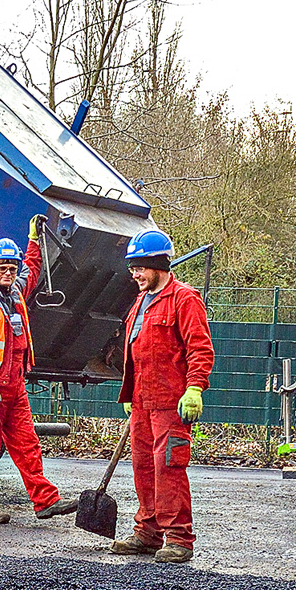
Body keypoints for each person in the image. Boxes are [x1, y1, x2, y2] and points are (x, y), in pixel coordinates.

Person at [108, 228, 215, 564]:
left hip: (171, 402)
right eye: (132, 268)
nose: (135, 274)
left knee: (168, 467)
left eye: (140, 267)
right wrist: (130, 391)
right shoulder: (140, 302)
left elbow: (200, 348)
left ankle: (179, 539)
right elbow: (135, 349)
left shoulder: (185, 299)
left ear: (158, 265)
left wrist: (195, 387)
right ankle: (148, 533)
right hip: (142, 401)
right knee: (143, 466)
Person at [0, 218, 70, 524]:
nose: (8, 273)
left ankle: (45, 501)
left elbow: (32, 270)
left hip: (15, 385)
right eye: (2, 267)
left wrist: (34, 240)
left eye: (12, 268)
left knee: (27, 444)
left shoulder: (16, 292)